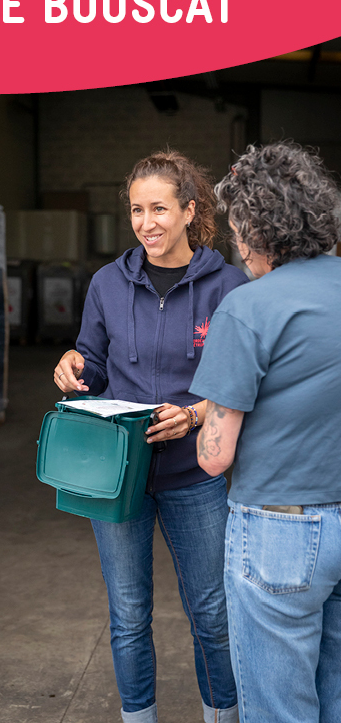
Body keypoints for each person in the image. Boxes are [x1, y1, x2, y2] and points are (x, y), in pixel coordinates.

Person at [54, 150, 249, 723]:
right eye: (137, 210)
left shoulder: (227, 286)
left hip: (196, 475)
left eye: (159, 208)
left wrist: (194, 415)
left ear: (189, 210)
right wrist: (73, 365)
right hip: (119, 475)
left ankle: (223, 715)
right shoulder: (107, 284)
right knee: (129, 615)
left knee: (212, 613)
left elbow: (243, 381)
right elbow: (92, 362)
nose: (147, 223)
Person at [190, 141, 341, 723]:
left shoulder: (247, 307)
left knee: (279, 707)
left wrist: (208, 410)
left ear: (256, 230)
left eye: (236, 232)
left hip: (282, 530)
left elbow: (214, 458)